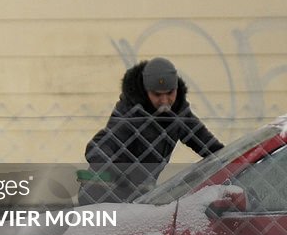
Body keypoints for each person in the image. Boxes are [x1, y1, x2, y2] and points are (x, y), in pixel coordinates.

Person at [78, 57, 224, 206]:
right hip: (101, 197)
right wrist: (120, 176)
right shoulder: (130, 112)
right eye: (157, 94)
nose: (165, 100)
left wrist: (233, 162)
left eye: (170, 93)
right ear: (146, 91)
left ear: (176, 90)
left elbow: (207, 144)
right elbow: (98, 148)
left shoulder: (180, 112)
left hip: (140, 197)